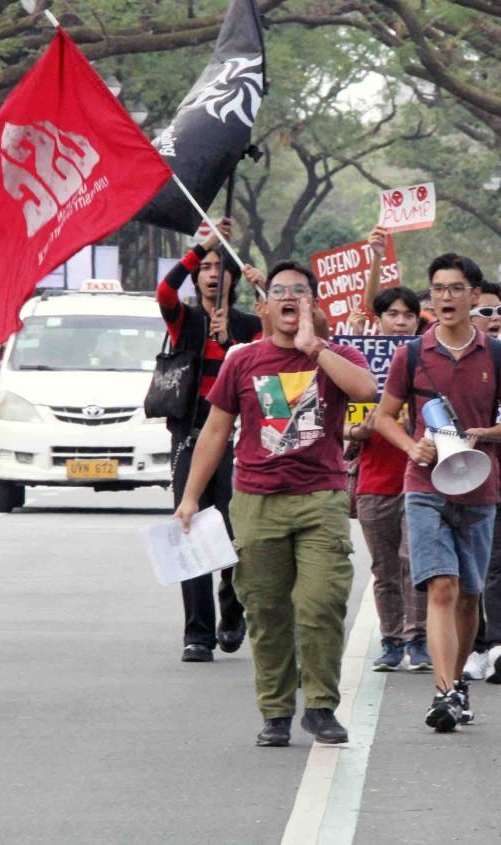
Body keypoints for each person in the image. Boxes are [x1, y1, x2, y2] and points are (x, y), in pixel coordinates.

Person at [174, 261, 377, 747]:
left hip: (321, 500)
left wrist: (316, 348)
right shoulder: (243, 361)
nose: (289, 298)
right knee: (265, 612)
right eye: (279, 291)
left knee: (322, 602)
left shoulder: (334, 355)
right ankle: (277, 711)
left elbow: (366, 391)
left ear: (313, 304)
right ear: (264, 306)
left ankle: (322, 706)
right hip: (256, 501)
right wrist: (190, 498)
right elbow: (217, 430)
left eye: (300, 292)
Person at [376, 254, 501, 732]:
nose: (446, 297)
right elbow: (384, 416)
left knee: (467, 595)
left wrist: (486, 433)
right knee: (441, 586)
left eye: (456, 288)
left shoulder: (500, 356)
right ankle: (443, 692)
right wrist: (410, 445)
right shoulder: (412, 354)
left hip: (481, 487)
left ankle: (458, 681)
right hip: (425, 487)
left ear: (475, 296)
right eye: (438, 288)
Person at [158, 219, 263, 663]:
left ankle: (232, 606)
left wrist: (237, 336)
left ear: (233, 277)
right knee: (192, 530)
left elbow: (267, 368)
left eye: (222, 266)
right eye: (206, 267)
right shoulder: (183, 319)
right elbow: (165, 290)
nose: (213, 273)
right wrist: (202, 246)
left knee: (239, 533)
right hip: (192, 437)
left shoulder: (248, 325)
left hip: (238, 442)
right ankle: (197, 633)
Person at [350, 287, 431, 672]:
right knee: (384, 569)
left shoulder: (426, 362)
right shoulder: (355, 363)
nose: (400, 321)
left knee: (414, 563)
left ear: (418, 320)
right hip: (374, 482)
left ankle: (418, 640)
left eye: (408, 315)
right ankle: (391, 640)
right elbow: (339, 428)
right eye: (393, 314)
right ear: (378, 320)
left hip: (420, 480)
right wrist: (359, 432)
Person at [462, 280, 501, 685]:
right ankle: (473, 647)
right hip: (460, 478)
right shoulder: (438, 359)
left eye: (499, 311)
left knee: (500, 564)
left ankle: (499, 644)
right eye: (485, 312)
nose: (494, 319)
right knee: (469, 567)